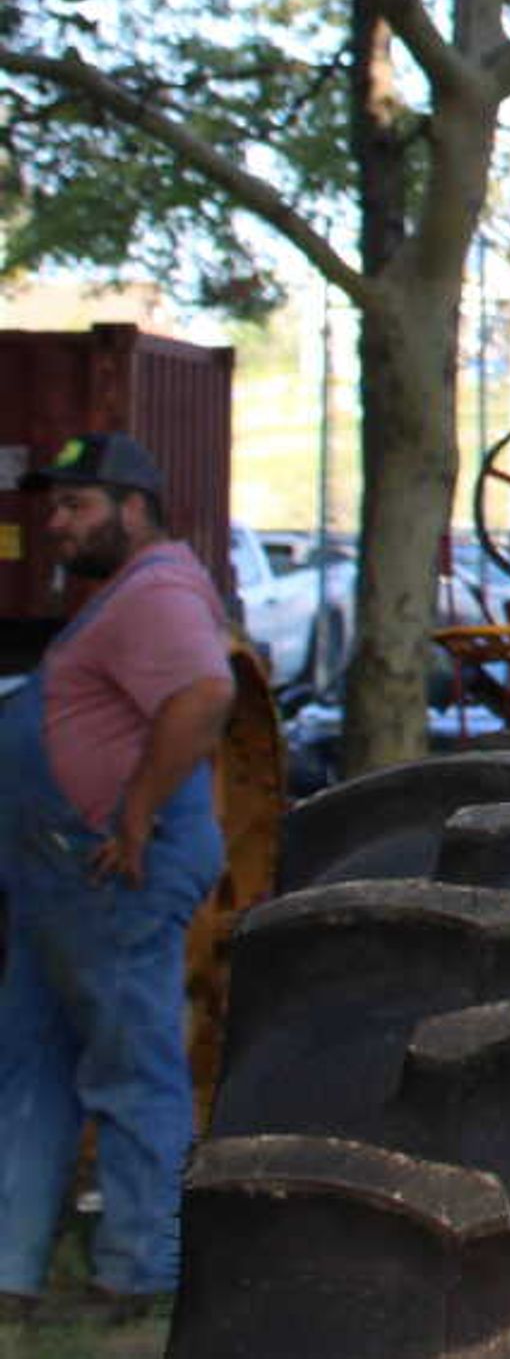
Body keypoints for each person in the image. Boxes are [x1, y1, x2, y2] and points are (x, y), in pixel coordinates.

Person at [0, 431, 236, 1322]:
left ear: (134, 509)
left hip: (109, 869)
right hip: (58, 880)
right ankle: (12, 1268)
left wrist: (135, 811)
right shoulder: (126, 595)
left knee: (133, 1070)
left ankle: (146, 1273)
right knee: (28, 1065)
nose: (56, 524)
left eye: (77, 506)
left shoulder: (162, 586)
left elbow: (206, 694)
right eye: (53, 507)